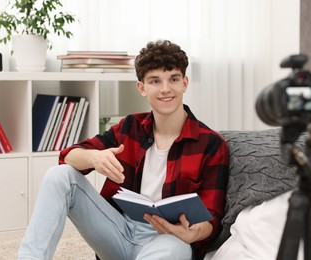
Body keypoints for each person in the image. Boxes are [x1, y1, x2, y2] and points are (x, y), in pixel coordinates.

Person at [18, 40, 229, 260]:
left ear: (184, 83)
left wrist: (190, 233)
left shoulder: (211, 144)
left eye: (173, 79)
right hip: (119, 230)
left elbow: (213, 217)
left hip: (171, 240)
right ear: (142, 88)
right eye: (155, 81)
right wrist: (93, 157)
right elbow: (67, 157)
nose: (165, 89)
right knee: (59, 175)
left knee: (173, 249)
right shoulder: (130, 128)